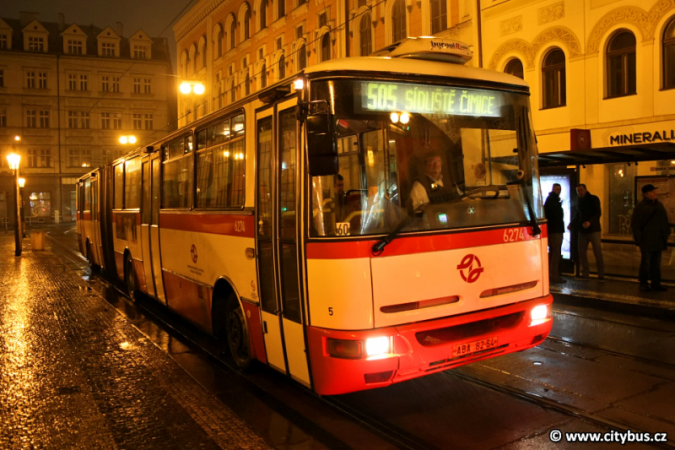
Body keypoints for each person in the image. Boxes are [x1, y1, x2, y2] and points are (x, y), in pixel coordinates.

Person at [631, 184, 671, 292]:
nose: (655, 193)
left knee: (656, 263)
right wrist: (638, 240)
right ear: (646, 194)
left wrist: (666, 234)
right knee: (646, 262)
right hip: (646, 239)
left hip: (658, 239)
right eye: (652, 192)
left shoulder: (659, 205)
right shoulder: (641, 206)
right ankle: (644, 283)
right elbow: (636, 224)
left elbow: (664, 221)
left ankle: (656, 283)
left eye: (655, 191)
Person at [568, 184, 605, 280]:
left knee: (597, 252)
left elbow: (598, 213)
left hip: (594, 229)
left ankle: (601, 274)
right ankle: (585, 273)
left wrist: (590, 222)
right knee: (581, 252)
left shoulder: (593, 199)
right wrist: (572, 224)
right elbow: (577, 214)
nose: (580, 192)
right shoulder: (579, 201)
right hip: (583, 230)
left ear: (585, 189)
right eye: (578, 191)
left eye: (581, 190)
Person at [544, 183, 566, 283]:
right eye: (557, 189)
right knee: (555, 253)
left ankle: (551, 274)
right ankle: (554, 275)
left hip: (552, 229)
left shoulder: (550, 200)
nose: (559, 191)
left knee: (553, 253)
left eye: (559, 189)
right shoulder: (553, 201)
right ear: (553, 189)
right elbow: (556, 215)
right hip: (556, 230)